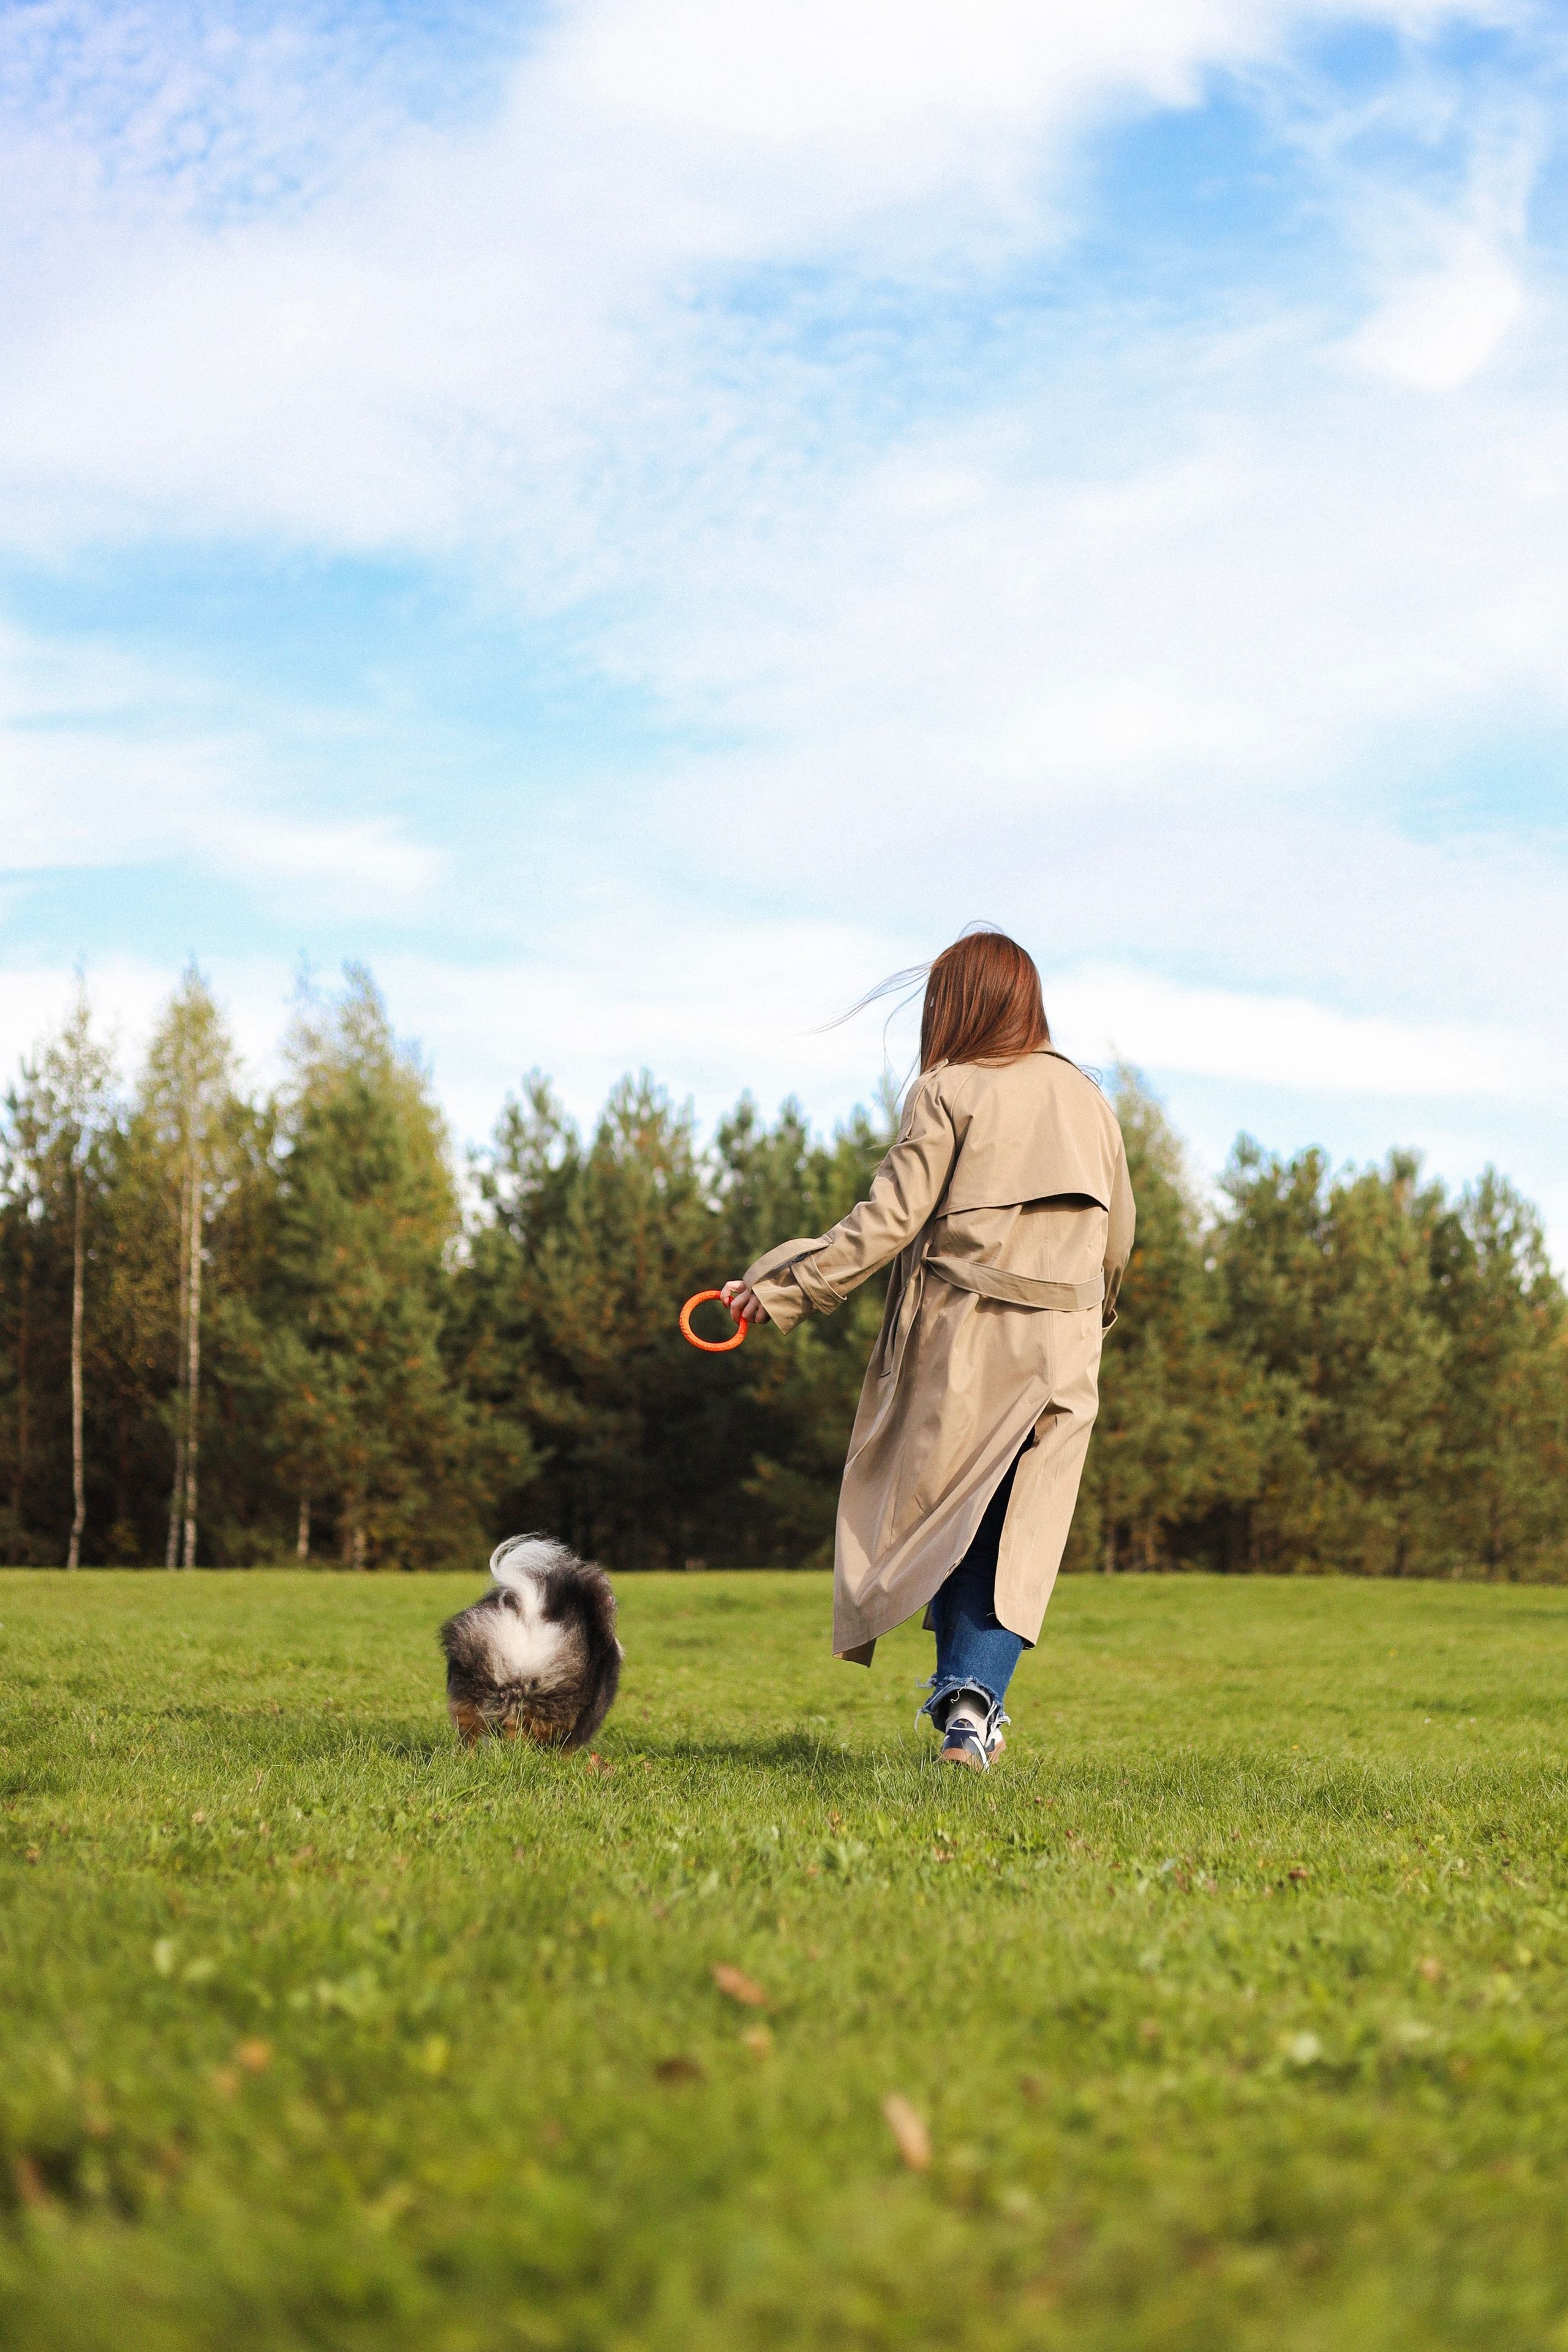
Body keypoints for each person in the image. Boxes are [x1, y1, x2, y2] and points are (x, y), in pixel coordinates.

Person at [721, 930, 1134, 1771]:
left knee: (947, 1520)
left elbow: (886, 1223)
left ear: (958, 1004)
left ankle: (963, 1709)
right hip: (1065, 1350)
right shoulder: (1092, 1100)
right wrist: (1088, 1330)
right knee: (1018, 1533)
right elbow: (1118, 1239)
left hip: (967, 1342)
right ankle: (970, 1712)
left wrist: (780, 1291)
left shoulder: (947, 1090)